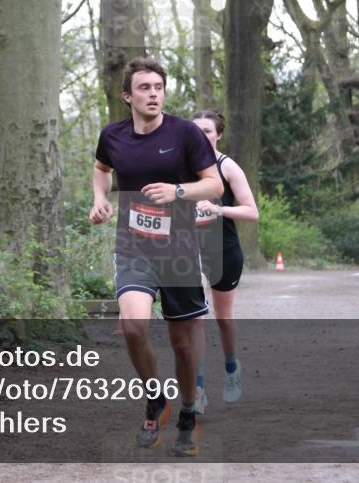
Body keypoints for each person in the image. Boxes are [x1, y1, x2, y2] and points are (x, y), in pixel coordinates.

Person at [90, 56, 223, 457]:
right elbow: (101, 168)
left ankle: (185, 412)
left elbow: (214, 185)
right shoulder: (113, 135)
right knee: (133, 327)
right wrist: (99, 200)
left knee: (183, 345)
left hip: (179, 249)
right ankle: (154, 400)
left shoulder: (185, 133)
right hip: (133, 245)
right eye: (144, 88)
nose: (153, 94)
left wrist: (178, 192)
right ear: (127, 95)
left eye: (158, 87)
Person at [190, 110, 259, 412]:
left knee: (222, 318)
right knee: (194, 317)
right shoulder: (180, 166)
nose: (201, 136)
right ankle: (199, 389)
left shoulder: (227, 166)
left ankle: (232, 368)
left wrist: (217, 210)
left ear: (218, 134)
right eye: (196, 131)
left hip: (223, 248)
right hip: (189, 249)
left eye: (207, 131)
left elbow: (251, 212)